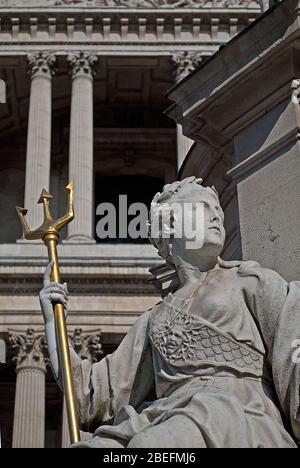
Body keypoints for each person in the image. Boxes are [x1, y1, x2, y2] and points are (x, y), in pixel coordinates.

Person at [40, 177, 300, 448]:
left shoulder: (251, 281)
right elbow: (91, 398)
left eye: (218, 210)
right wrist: (52, 323)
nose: (216, 217)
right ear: (171, 224)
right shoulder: (155, 318)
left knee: (153, 444)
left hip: (235, 416)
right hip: (167, 416)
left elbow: (294, 352)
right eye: (203, 207)